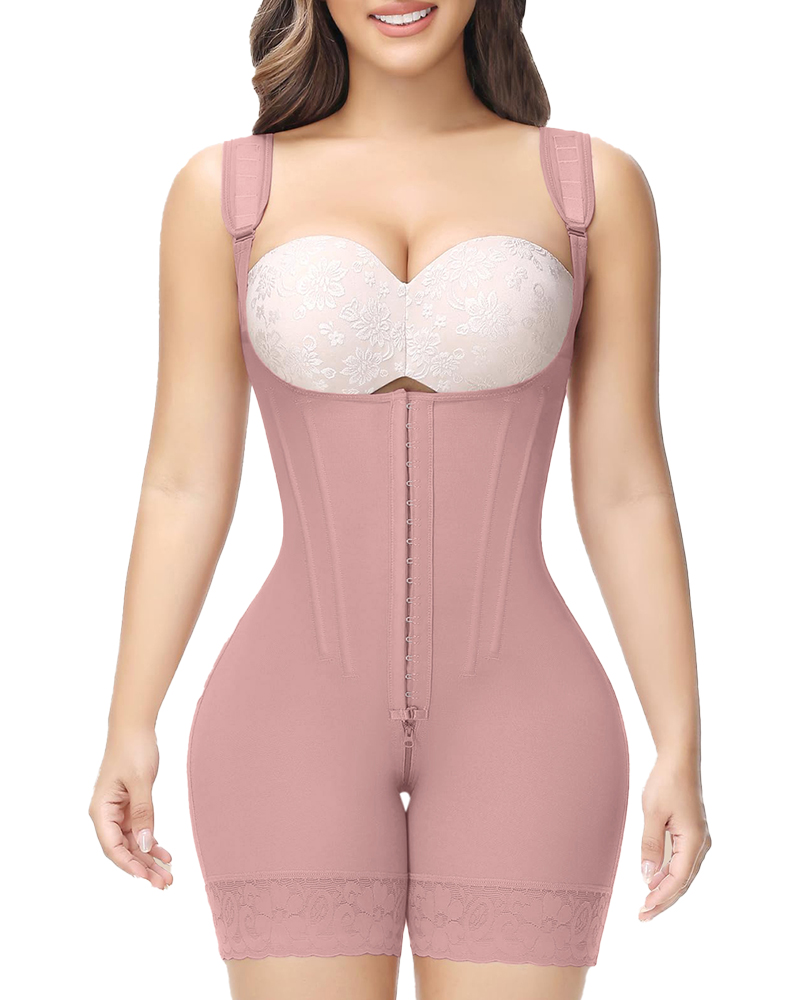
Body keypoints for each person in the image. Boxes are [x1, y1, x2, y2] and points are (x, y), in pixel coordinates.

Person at [88, 1, 711, 997]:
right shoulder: (224, 191)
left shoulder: (592, 187)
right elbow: (183, 479)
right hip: (285, 716)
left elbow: (625, 486)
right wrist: (130, 720)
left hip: (531, 718)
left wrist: (679, 739)